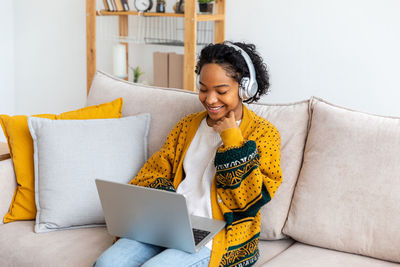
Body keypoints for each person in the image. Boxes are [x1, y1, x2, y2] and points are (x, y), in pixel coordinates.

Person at [94, 41, 283, 267]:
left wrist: (232, 139)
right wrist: (166, 208)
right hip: (169, 226)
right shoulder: (187, 126)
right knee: (107, 263)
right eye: (203, 89)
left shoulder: (264, 134)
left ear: (245, 88)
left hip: (217, 237)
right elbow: (152, 172)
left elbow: (249, 200)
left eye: (221, 91)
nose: (210, 99)